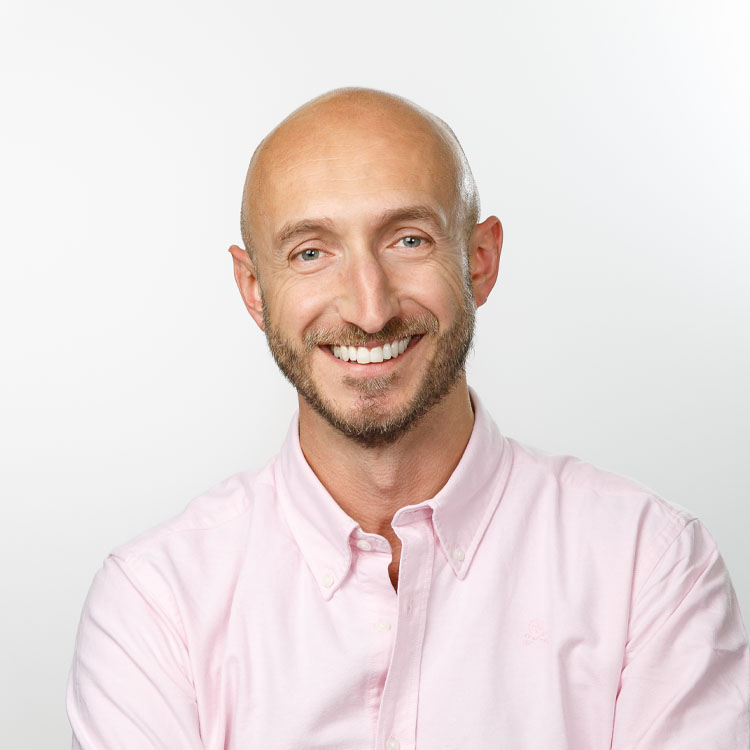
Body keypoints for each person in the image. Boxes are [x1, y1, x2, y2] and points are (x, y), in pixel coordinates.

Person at [66, 88, 750, 749]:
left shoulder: (649, 566)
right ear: (253, 289)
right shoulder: (156, 604)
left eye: (409, 240)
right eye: (311, 253)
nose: (370, 311)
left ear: (480, 261)